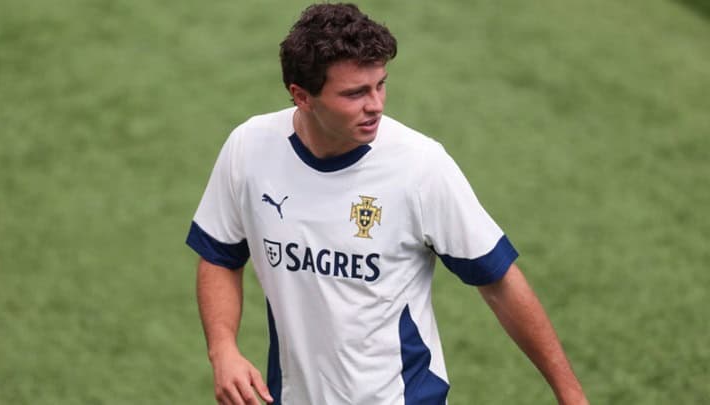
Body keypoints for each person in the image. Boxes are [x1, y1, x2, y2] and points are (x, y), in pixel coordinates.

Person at [186, 3, 588, 404]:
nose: (376, 104)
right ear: (302, 97)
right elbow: (220, 254)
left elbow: (498, 281)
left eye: (380, 85)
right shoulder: (250, 149)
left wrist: (571, 396)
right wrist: (222, 348)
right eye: (355, 93)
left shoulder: (420, 166)